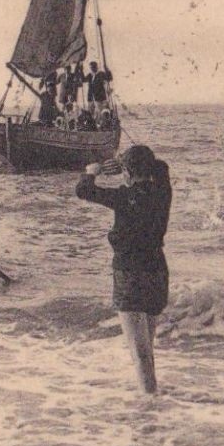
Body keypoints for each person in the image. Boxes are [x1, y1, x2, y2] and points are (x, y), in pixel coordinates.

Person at [77, 144, 173, 394]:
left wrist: (92, 171)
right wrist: (130, 164)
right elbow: (163, 168)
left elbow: (83, 189)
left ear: (127, 174)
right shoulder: (162, 192)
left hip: (129, 273)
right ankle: (152, 395)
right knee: (146, 347)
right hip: (156, 270)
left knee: (138, 350)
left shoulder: (123, 196)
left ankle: (149, 405)